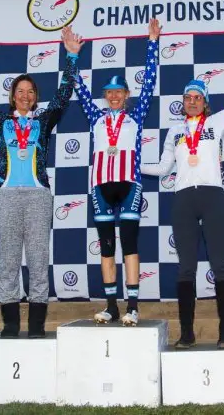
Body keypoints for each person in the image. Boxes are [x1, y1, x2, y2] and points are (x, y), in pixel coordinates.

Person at [0, 26, 84, 338]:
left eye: (31, 92)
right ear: (13, 96)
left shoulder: (44, 120)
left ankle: (37, 327)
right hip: (7, 195)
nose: (25, 96)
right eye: (20, 91)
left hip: (38, 196)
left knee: (38, 260)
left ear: (36, 98)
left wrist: (72, 56)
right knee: (8, 259)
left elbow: (64, 95)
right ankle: (10, 325)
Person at [141, 37, 224, 348]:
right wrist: (132, 166)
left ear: (205, 101)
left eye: (197, 97)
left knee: (220, 264)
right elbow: (163, 168)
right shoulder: (174, 132)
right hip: (183, 199)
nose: (192, 101)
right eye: (187, 97)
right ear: (182, 102)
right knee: (186, 268)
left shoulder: (217, 121)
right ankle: (187, 333)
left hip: (212, 198)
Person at [74, 18, 162, 326]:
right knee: (107, 247)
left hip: (129, 185)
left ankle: (133, 306)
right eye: (109, 92)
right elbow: (78, 86)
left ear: (126, 95)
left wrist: (152, 43)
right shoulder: (94, 116)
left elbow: (149, 81)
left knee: (130, 244)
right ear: (105, 96)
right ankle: (111, 305)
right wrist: (72, 55)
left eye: (119, 92)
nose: (113, 96)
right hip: (99, 185)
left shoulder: (136, 115)